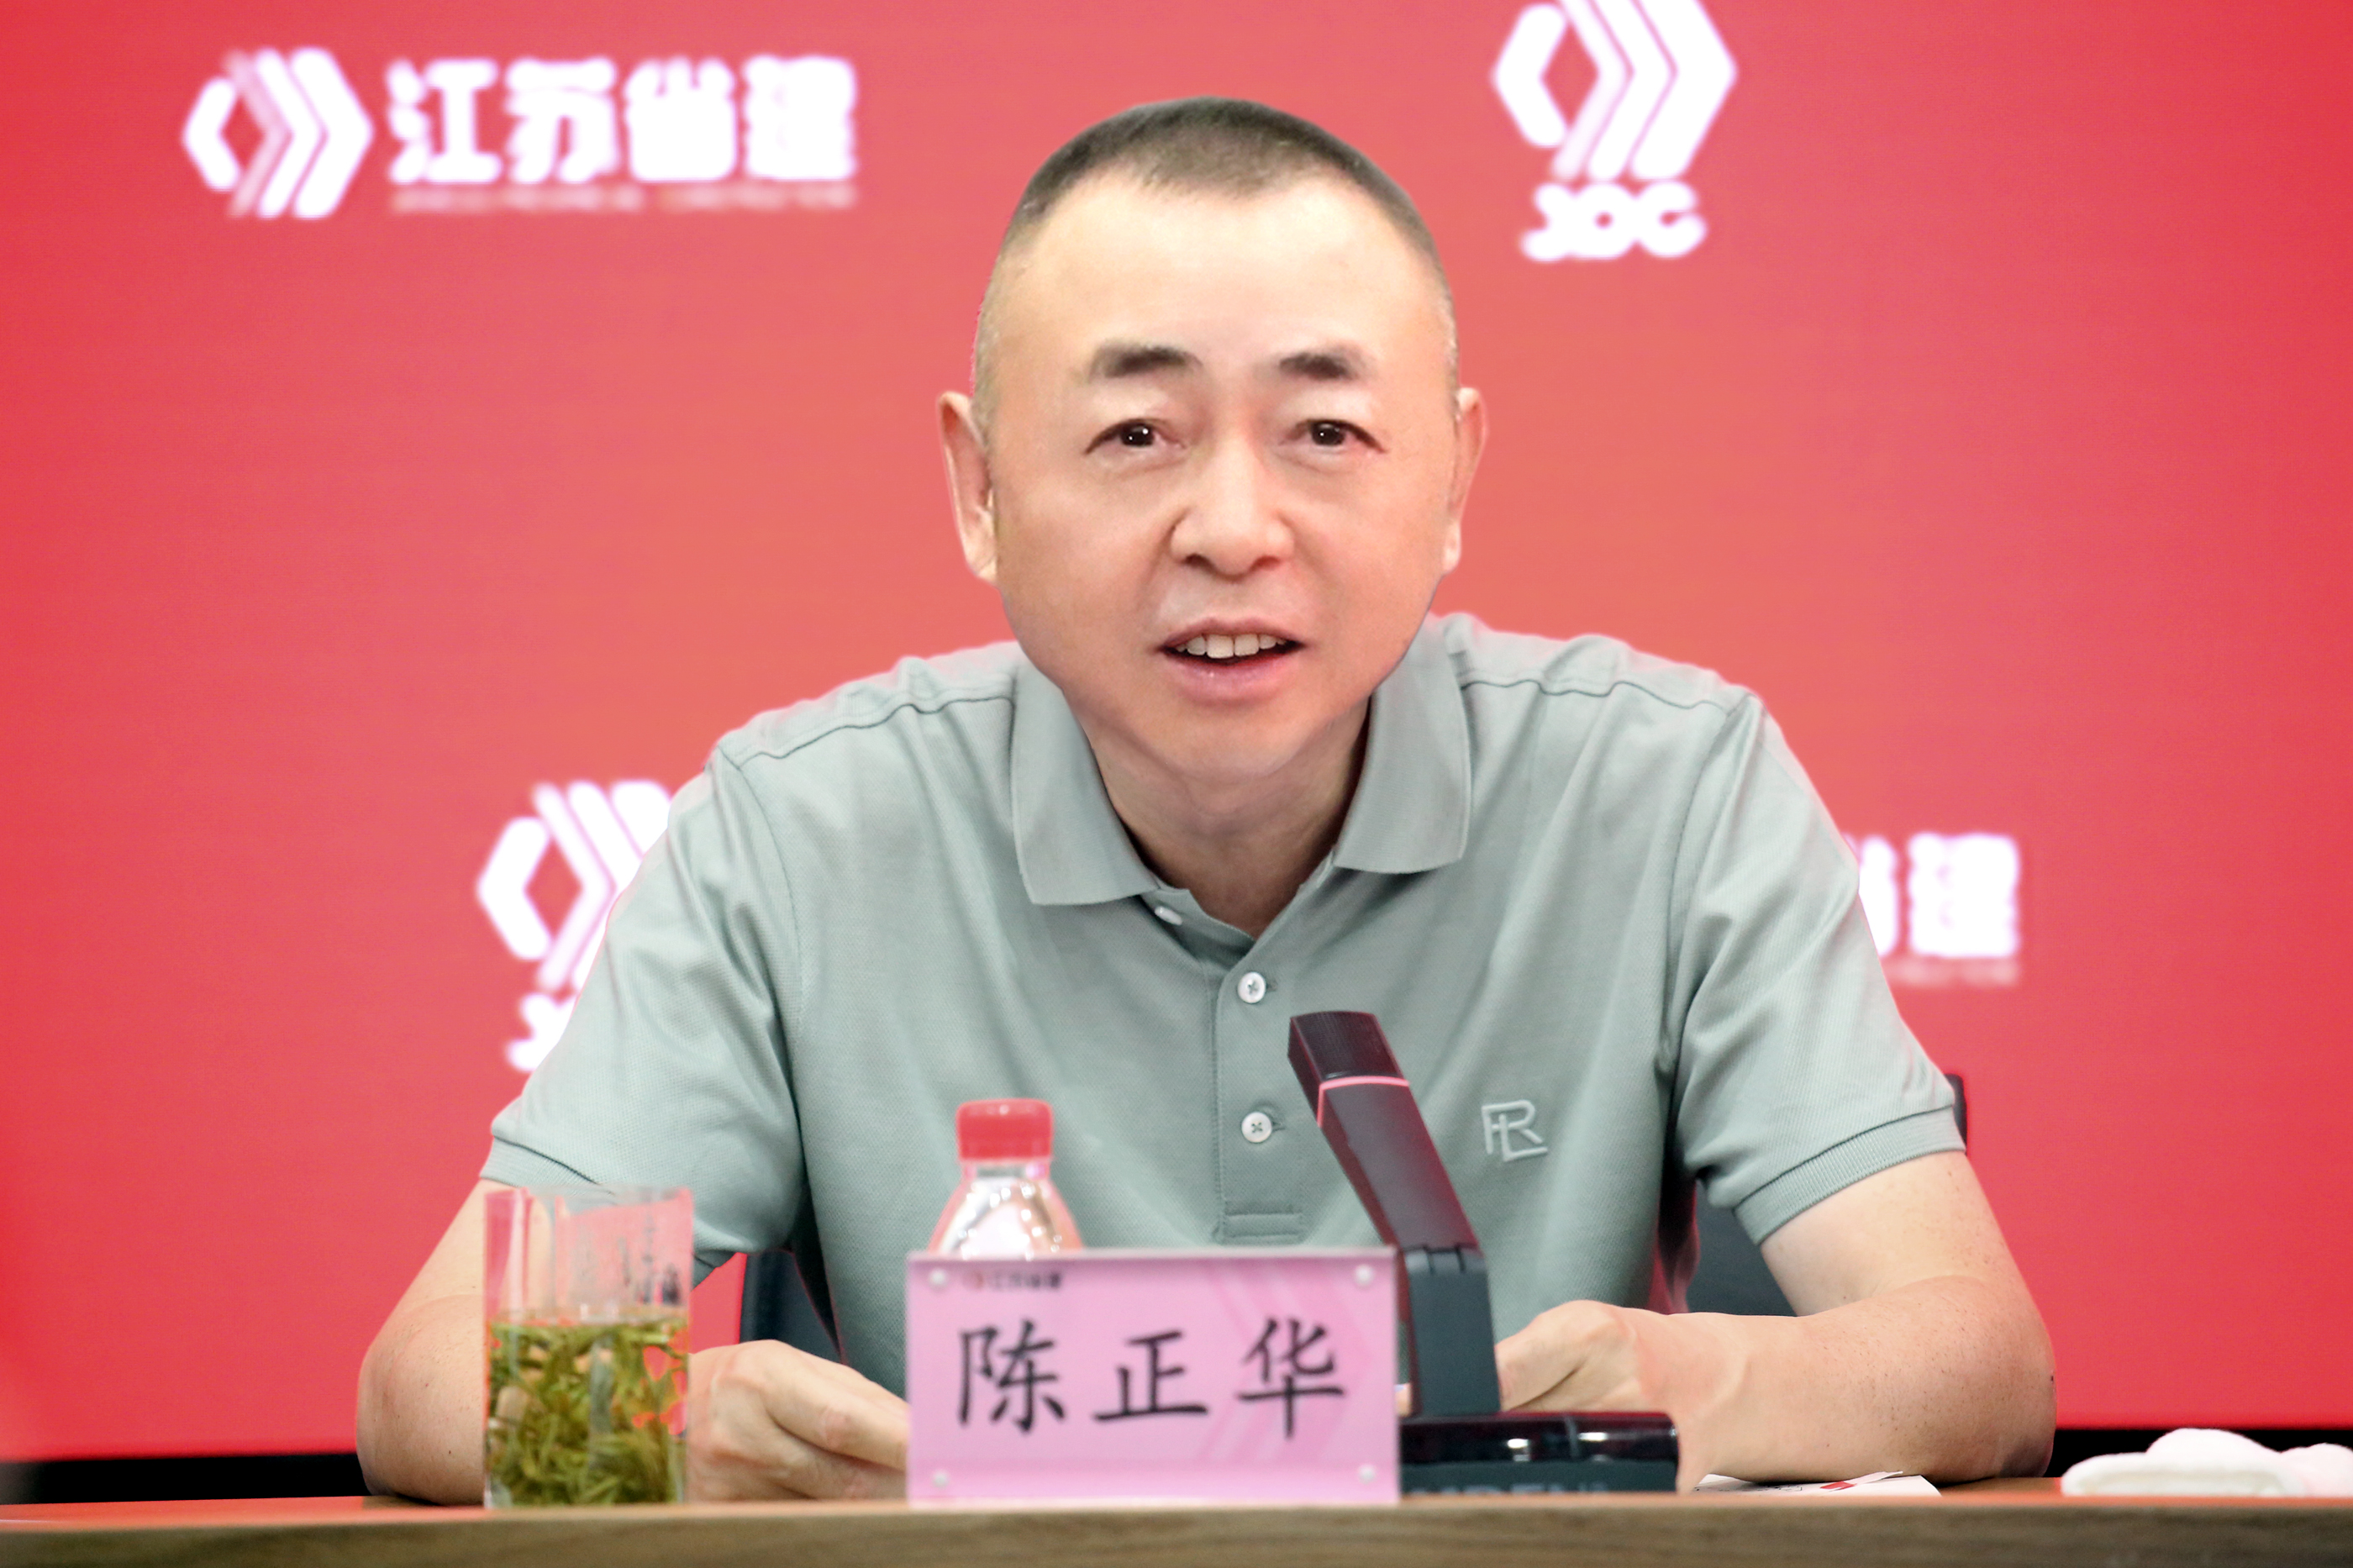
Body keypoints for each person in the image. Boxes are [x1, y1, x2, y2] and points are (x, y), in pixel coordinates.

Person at [357, 98, 2054, 1502]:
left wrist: (1673, 1381)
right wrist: (669, 1426)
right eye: (1136, 436)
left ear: (1453, 476)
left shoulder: (1669, 787)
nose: (1234, 529)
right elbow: (425, 1379)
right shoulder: (796, 833)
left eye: (1324, 431)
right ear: (978, 487)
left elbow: (1977, 1357)